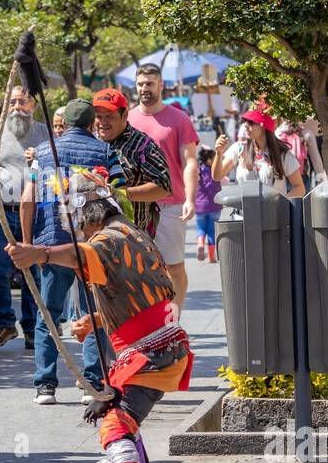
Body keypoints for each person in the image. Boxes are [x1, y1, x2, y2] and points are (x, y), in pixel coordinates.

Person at [7, 170, 192, 463]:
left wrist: (41, 253)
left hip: (151, 357)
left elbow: (84, 254)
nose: (71, 226)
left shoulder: (109, 239)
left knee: (115, 425)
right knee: (124, 424)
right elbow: (136, 295)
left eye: (71, 217)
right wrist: (96, 319)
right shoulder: (129, 232)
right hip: (156, 350)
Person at [21, 98, 126, 406]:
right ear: (93, 123)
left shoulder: (42, 153)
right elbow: (120, 195)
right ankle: (91, 382)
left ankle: (46, 385)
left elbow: (28, 198)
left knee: (49, 314)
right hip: (93, 244)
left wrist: (28, 244)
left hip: (51, 243)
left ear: (63, 123)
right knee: (95, 314)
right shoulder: (106, 152)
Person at [0, 83, 50, 349]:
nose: (16, 107)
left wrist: (40, 159)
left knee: (32, 272)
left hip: (35, 214)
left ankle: (30, 329)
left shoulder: (44, 134)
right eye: (12, 102)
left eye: (22, 102)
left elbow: (56, 173)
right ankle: (4, 324)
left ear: (33, 105)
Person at [128, 63, 199, 313]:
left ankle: (173, 318)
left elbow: (190, 162)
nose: (144, 88)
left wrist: (190, 198)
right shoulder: (126, 119)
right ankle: (146, 319)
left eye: (149, 83)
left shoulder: (178, 120)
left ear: (161, 85)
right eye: (140, 84)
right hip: (134, 205)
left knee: (174, 266)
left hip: (170, 205)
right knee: (137, 266)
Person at [91, 87, 172, 237]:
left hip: (133, 237)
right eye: (98, 117)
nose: (102, 122)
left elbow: (163, 187)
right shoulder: (89, 142)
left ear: (125, 115)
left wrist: (120, 194)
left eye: (109, 116)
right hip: (94, 237)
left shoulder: (143, 146)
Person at [217, 105, 306, 198]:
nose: (246, 125)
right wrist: (218, 153)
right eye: (245, 121)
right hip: (244, 212)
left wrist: (280, 203)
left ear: (264, 126)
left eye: (251, 122)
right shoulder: (238, 148)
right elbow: (217, 176)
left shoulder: (283, 154)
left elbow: (299, 188)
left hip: (273, 212)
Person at [195, 146, 223, 262]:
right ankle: (211, 257)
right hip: (215, 205)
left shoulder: (198, 171)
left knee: (201, 228)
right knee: (211, 230)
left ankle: (200, 244)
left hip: (200, 206)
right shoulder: (215, 171)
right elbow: (224, 179)